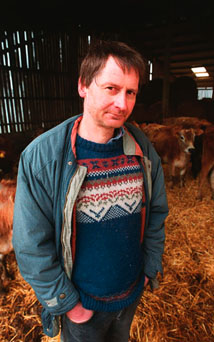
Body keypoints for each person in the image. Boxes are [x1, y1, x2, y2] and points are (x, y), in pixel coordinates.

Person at [13, 40, 168, 342]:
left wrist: (149, 267)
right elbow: (31, 244)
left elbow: (157, 212)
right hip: (82, 308)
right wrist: (68, 304)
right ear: (83, 85)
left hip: (130, 295)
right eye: (111, 88)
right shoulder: (42, 158)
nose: (122, 104)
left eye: (130, 92)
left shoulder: (141, 148)